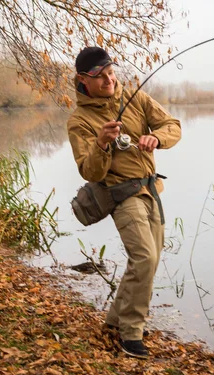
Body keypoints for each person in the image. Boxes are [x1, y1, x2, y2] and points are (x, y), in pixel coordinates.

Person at [67, 46, 181, 358]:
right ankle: (131, 333)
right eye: (100, 76)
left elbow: (173, 125)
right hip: (121, 195)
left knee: (151, 260)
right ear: (83, 80)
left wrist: (156, 138)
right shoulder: (80, 120)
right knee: (144, 258)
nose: (109, 80)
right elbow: (90, 170)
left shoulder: (136, 100)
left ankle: (115, 321)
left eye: (111, 72)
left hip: (152, 191)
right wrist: (102, 142)